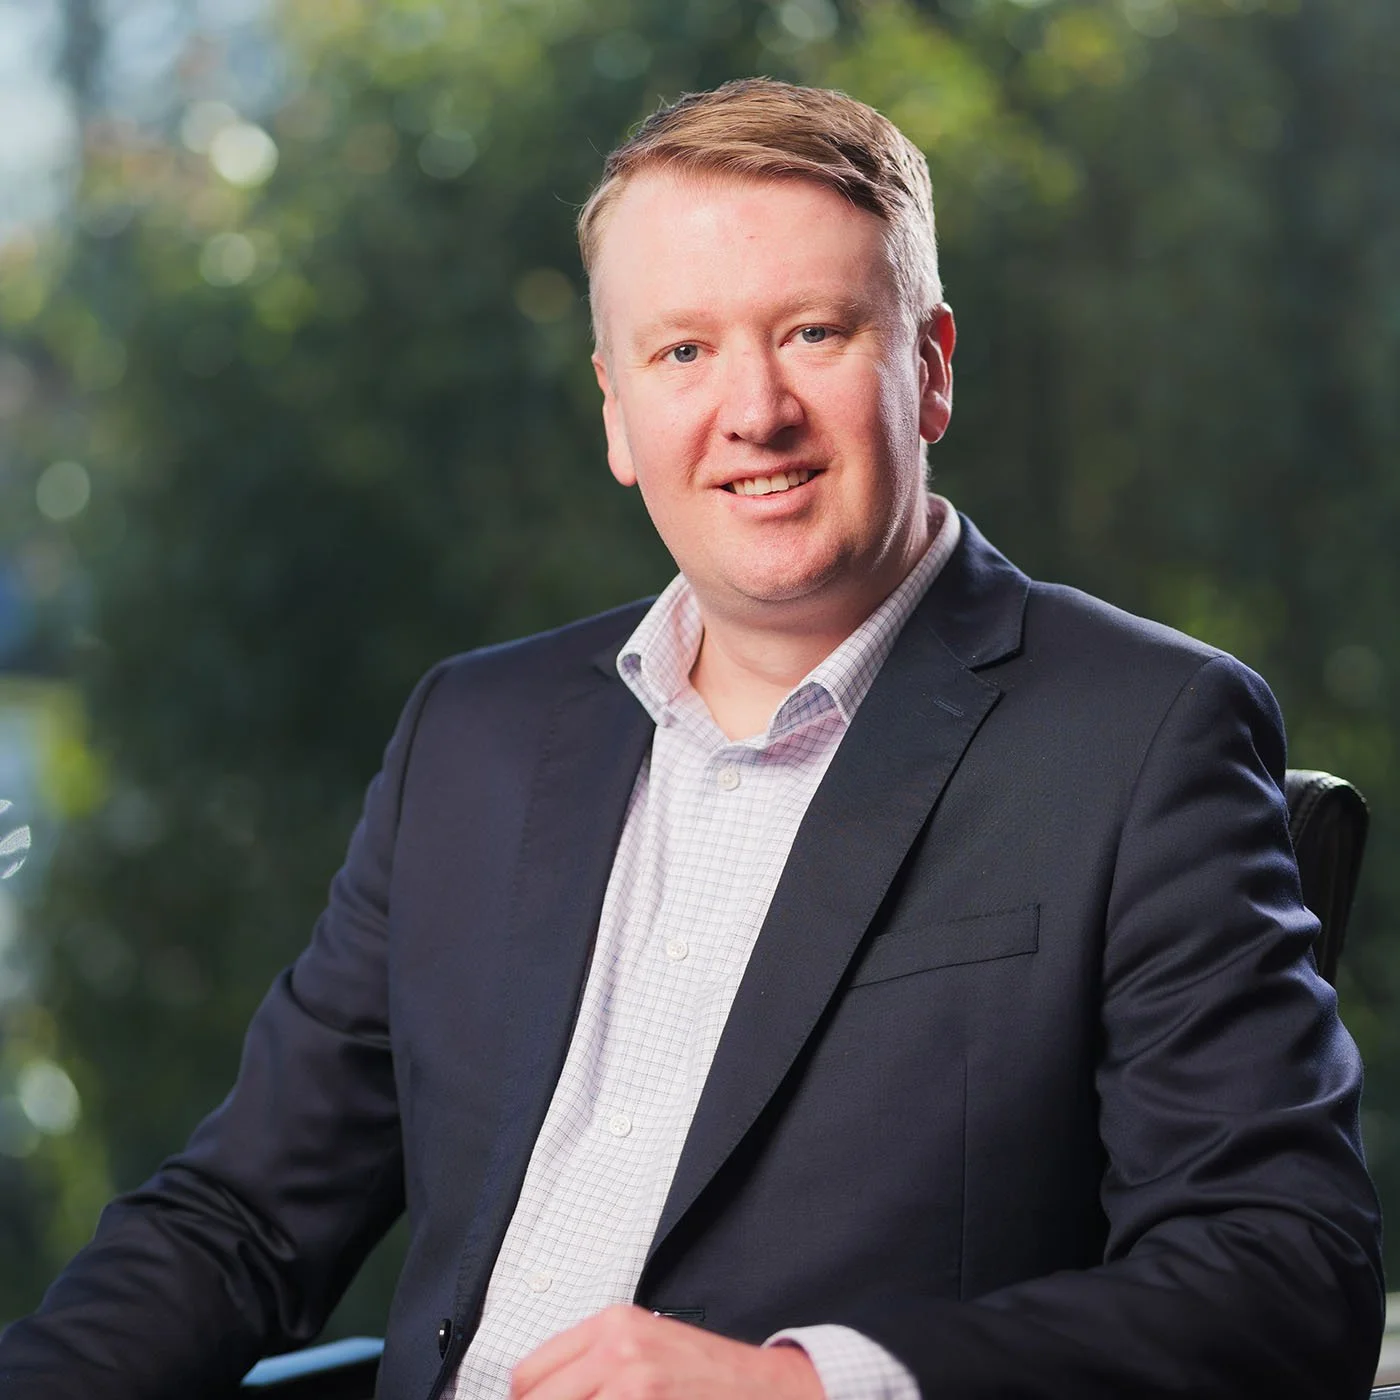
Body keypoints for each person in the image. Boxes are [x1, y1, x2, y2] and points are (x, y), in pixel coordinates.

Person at [0, 79, 1384, 1400]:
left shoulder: (1141, 736)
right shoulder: (474, 740)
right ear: (618, 409)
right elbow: (237, 1222)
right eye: (683, 350)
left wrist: (796, 1384)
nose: (753, 413)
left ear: (931, 368)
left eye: (814, 334)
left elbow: (1280, 1277)